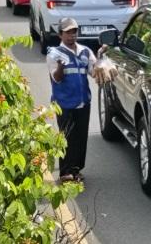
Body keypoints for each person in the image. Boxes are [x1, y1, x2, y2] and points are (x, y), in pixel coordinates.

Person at [47, 18, 105, 183]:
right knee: (66, 137)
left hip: (83, 102)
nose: (72, 36)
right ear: (61, 34)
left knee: (80, 137)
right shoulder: (54, 53)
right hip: (63, 103)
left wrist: (101, 58)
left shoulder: (85, 51)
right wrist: (61, 66)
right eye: (68, 32)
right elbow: (56, 79)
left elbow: (94, 71)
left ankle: (76, 169)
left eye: (74, 32)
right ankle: (65, 171)